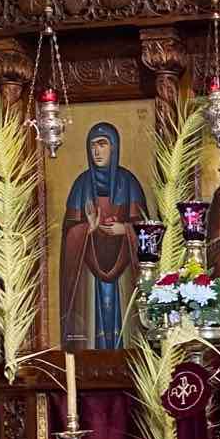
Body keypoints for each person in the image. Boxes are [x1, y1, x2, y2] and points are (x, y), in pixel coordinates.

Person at [59, 123, 149, 349]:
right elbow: (68, 234)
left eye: (102, 144)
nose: (96, 151)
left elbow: (146, 231)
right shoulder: (81, 185)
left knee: (127, 334)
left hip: (124, 269)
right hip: (90, 273)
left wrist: (125, 229)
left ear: (114, 147)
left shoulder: (129, 183)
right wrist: (87, 229)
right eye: (92, 146)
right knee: (91, 335)